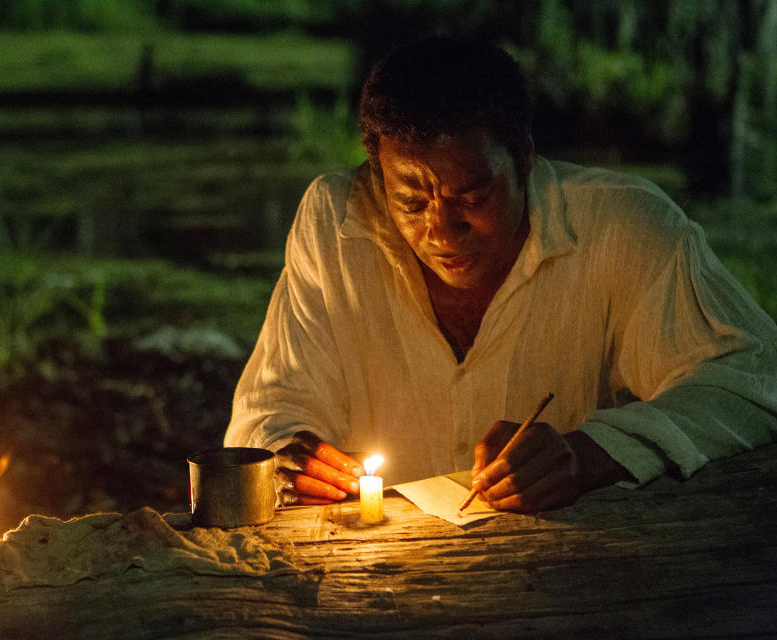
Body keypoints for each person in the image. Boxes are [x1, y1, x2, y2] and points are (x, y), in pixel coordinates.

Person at [224, 36, 777, 513]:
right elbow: (269, 409)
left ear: (524, 157)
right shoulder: (335, 225)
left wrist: (590, 454)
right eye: (412, 201)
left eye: (471, 196)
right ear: (377, 175)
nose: (441, 231)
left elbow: (751, 380)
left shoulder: (622, 229)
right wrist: (286, 455)